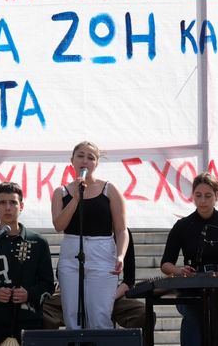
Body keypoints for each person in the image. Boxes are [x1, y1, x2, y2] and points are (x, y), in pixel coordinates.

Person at [161, 172, 218, 346]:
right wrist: (179, 271)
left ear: (217, 196)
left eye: (208, 196)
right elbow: (166, 264)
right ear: (192, 196)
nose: (203, 200)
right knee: (193, 313)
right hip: (193, 288)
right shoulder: (182, 226)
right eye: (198, 195)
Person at [51, 141, 129, 329]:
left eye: (90, 157)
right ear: (72, 160)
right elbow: (59, 225)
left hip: (102, 251)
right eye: (80, 156)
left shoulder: (109, 189)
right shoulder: (61, 192)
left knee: (99, 313)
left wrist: (120, 255)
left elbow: (121, 229)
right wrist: (76, 198)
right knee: (72, 314)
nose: (85, 161)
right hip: (71, 251)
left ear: (96, 163)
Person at [0, 182, 54, 346]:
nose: (8, 207)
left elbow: (48, 284)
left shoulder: (38, 242)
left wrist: (29, 293)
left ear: (21, 206)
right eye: (3, 202)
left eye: (13, 202)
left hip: (29, 323)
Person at [42, 228, 151, 330]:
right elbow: (60, 274)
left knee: (144, 313)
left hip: (110, 292)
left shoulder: (122, 233)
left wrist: (108, 299)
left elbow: (129, 280)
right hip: (75, 293)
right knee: (41, 311)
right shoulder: (75, 230)